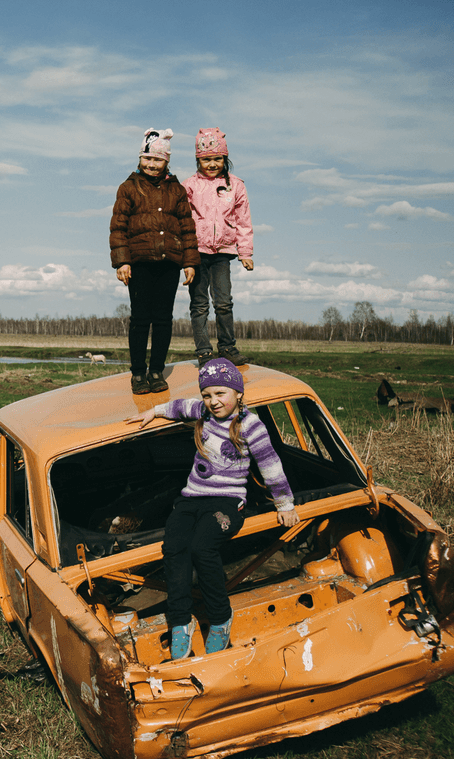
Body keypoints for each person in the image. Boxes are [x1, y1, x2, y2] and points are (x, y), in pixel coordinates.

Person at [127, 358, 298, 660]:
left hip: (227, 501)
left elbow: (271, 466)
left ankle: (220, 619)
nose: (213, 401)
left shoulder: (250, 425)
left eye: (221, 393)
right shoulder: (203, 412)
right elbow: (179, 406)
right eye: (207, 395)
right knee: (174, 546)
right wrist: (154, 411)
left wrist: (285, 504)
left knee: (202, 547)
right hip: (192, 497)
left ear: (238, 393)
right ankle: (181, 621)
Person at [111, 128, 199, 395]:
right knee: (140, 319)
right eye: (147, 158)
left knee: (163, 319)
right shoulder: (128, 188)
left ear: (167, 161)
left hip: (169, 262)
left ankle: (157, 371)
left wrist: (190, 262)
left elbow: (187, 227)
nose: (151, 164)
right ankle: (138, 373)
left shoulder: (177, 190)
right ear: (140, 159)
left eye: (157, 160)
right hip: (138, 263)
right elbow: (118, 227)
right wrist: (121, 262)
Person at [183, 128, 253, 368]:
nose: (212, 164)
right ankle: (203, 351)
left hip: (223, 252)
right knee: (199, 304)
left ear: (225, 158)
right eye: (206, 159)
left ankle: (227, 347)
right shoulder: (189, 186)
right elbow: (182, 221)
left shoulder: (236, 186)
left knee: (223, 302)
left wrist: (245, 253)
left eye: (217, 158)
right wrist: (184, 253)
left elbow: (243, 220)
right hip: (197, 252)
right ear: (198, 159)